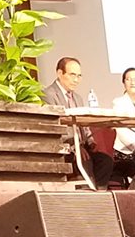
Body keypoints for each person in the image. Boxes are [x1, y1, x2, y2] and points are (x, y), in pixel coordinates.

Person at [42, 55, 116, 188]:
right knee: (83, 160)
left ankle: (100, 193)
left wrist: (90, 142)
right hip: (64, 147)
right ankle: (87, 192)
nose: (76, 80)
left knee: (105, 161)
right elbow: (53, 126)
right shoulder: (48, 95)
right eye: (72, 75)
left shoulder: (78, 98)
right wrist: (74, 147)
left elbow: (83, 124)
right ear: (60, 73)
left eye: (79, 76)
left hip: (81, 145)